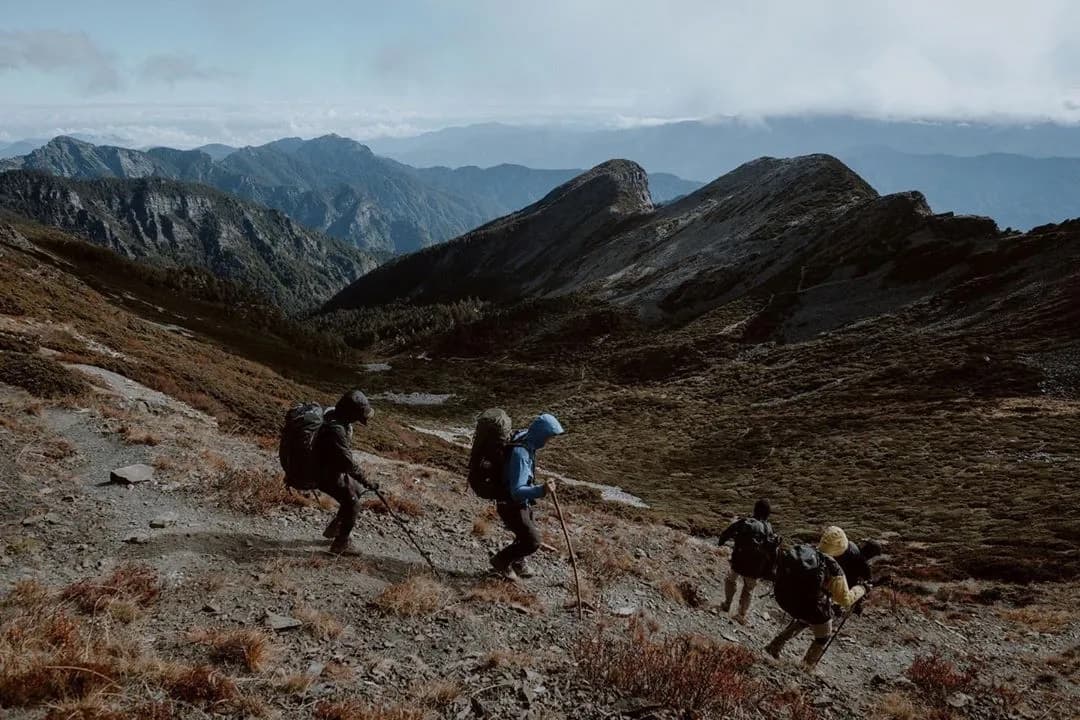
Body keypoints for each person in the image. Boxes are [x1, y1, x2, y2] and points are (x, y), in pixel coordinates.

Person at [765, 526, 868, 670]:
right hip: (810, 607)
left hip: (786, 599)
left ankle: (774, 646)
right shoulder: (833, 567)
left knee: (803, 619)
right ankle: (807, 665)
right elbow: (845, 599)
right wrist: (861, 589)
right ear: (840, 547)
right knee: (823, 636)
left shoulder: (804, 550)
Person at [490, 413, 565, 581]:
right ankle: (500, 561)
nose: (548, 441)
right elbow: (517, 491)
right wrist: (542, 490)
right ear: (541, 435)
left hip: (518, 503)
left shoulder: (526, 439)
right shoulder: (520, 454)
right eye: (548, 437)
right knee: (532, 541)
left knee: (525, 530)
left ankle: (518, 561)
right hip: (511, 504)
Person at [312, 390, 378, 554]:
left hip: (322, 467)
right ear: (351, 413)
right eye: (358, 416)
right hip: (322, 473)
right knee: (354, 503)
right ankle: (341, 545)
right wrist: (367, 480)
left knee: (357, 490)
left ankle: (336, 527)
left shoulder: (331, 414)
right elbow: (348, 464)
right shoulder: (337, 431)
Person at [716, 499, 779, 624]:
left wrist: (721, 542)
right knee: (749, 589)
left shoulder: (745, 522)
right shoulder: (769, 528)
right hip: (756, 567)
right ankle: (741, 614)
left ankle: (727, 603)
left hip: (739, 561)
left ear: (755, 510)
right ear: (768, 513)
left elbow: (727, 533)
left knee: (730, 580)